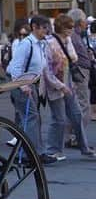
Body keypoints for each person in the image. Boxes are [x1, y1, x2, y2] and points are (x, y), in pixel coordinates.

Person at [47, 14, 95, 159]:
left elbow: (74, 57)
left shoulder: (68, 40)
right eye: (68, 27)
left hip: (68, 81)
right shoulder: (50, 43)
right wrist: (59, 85)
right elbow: (47, 70)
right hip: (55, 84)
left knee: (76, 114)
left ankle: (84, 147)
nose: (70, 30)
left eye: (72, 27)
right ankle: (54, 149)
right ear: (61, 27)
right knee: (59, 118)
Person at [6, 14, 52, 163]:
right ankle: (29, 154)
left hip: (32, 84)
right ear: (34, 27)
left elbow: (42, 66)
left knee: (33, 118)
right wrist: (23, 85)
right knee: (31, 117)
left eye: (47, 27)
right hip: (21, 84)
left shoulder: (40, 44)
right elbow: (15, 66)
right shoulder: (27, 44)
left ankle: (37, 152)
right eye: (44, 28)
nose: (46, 30)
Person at [65, 8, 93, 137]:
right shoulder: (74, 36)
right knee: (83, 104)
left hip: (80, 70)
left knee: (78, 104)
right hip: (80, 71)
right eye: (84, 20)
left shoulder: (76, 35)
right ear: (80, 22)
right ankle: (76, 136)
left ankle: (74, 135)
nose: (86, 23)